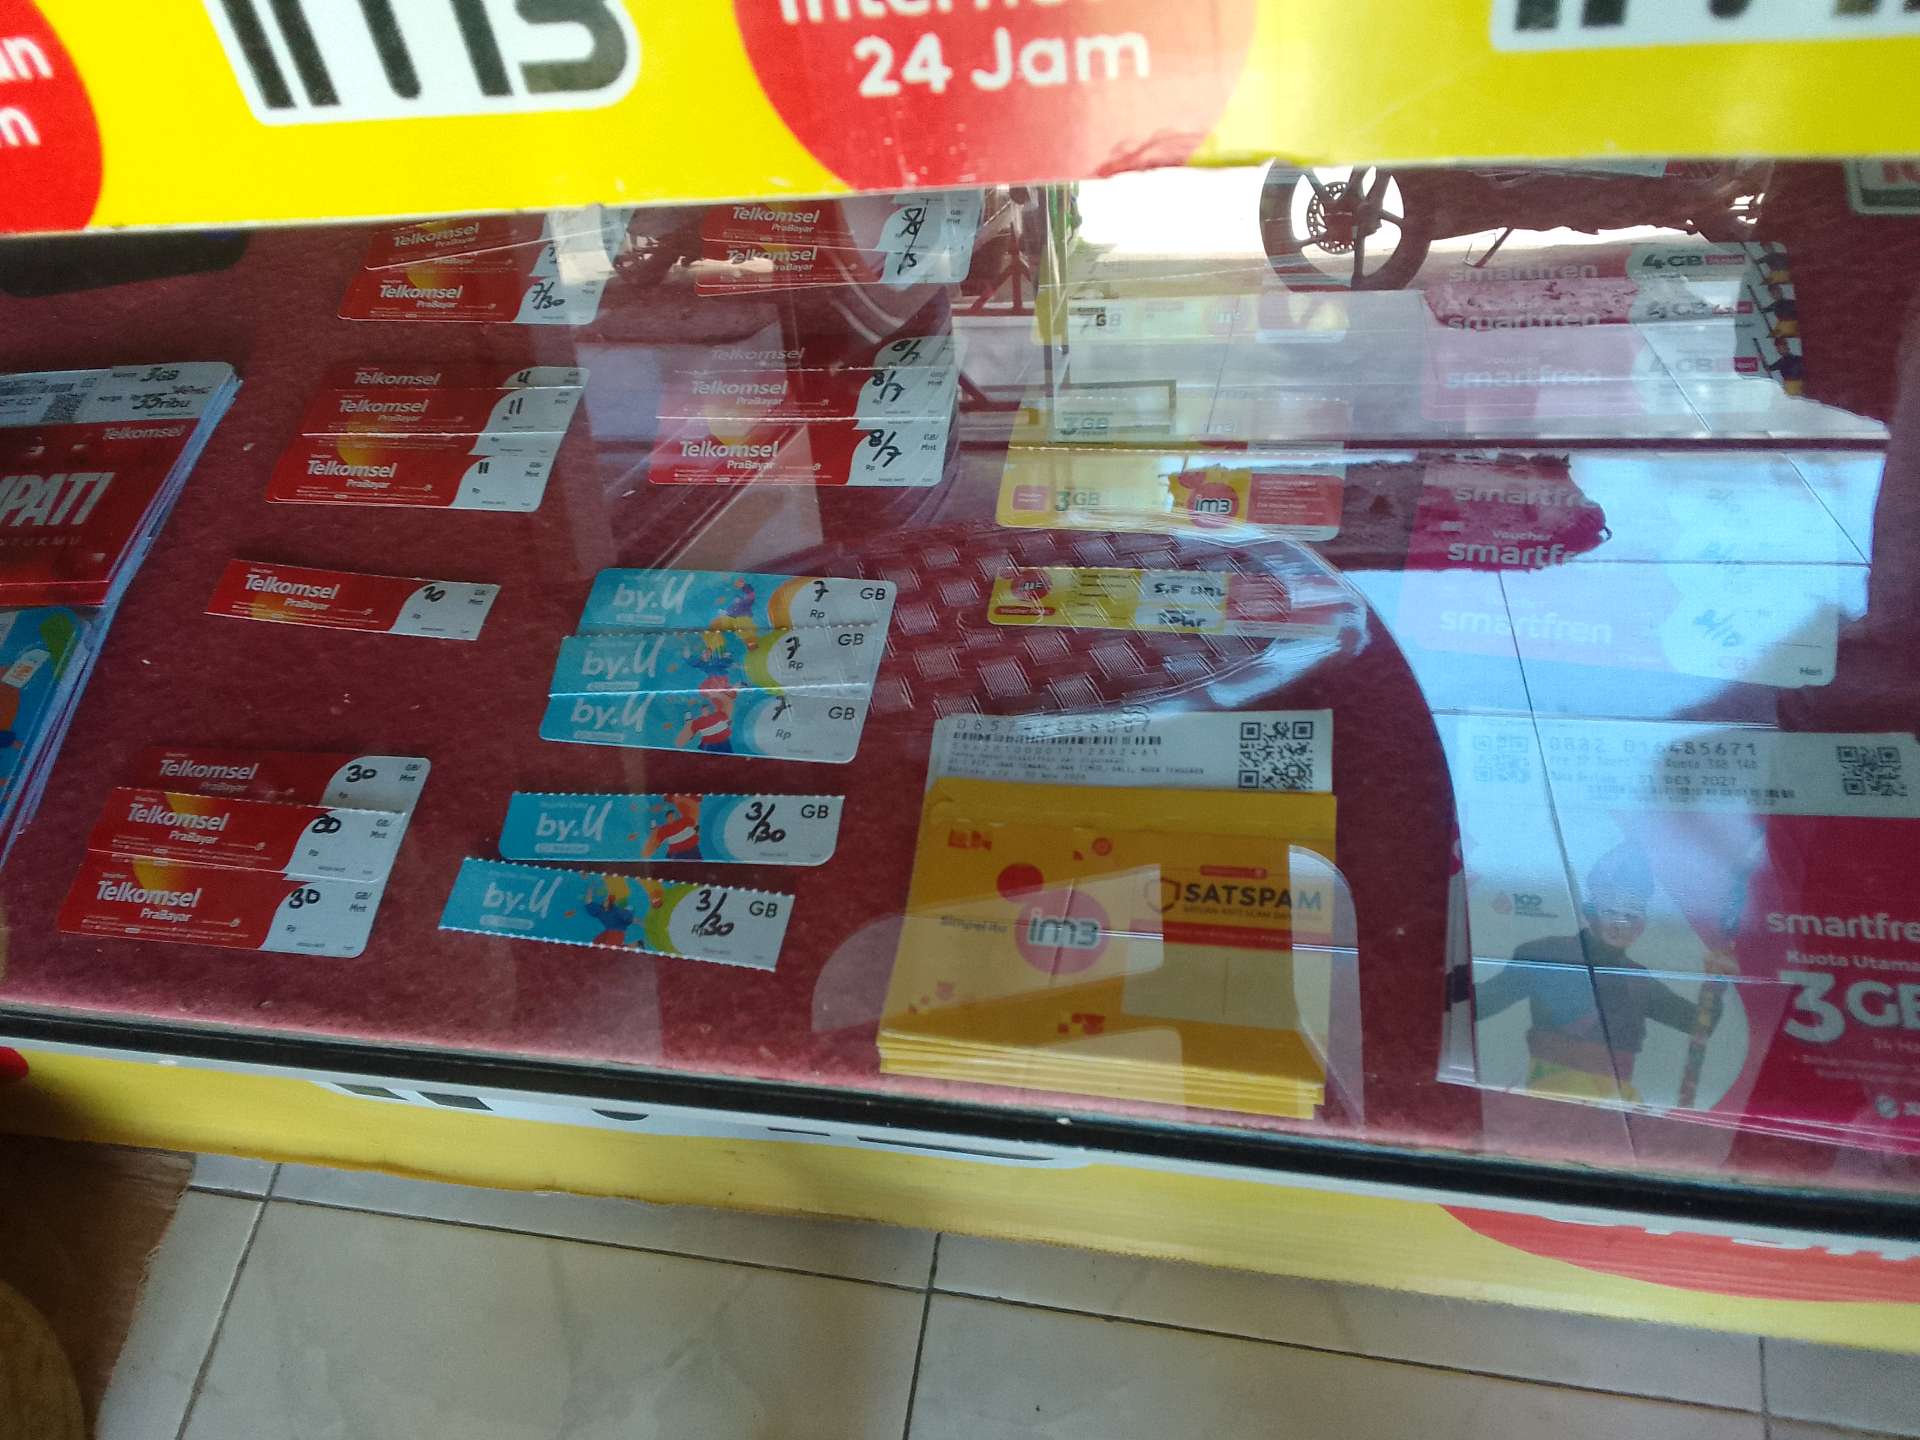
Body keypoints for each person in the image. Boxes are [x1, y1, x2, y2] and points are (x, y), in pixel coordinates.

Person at [1475, 844, 1734, 1104]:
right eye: (1611, 912)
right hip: (1553, 1101)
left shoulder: (1638, 980)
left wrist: (1716, 980)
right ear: (1592, 913)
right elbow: (1483, 1002)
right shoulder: (1544, 953)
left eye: (1631, 916)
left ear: (1641, 924)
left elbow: (1698, 1024)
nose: (1620, 925)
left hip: (1615, 1104)